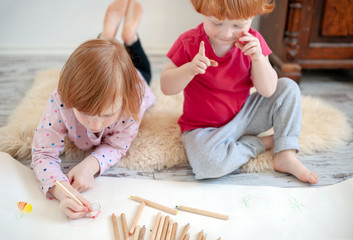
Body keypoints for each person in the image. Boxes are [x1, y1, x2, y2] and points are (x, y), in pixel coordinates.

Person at [160, 0, 319, 184]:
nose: (226, 33)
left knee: (288, 87)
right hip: (202, 129)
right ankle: (261, 143)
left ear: (253, 17)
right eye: (216, 23)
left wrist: (259, 59)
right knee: (208, 166)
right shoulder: (189, 42)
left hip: (244, 116)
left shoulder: (254, 42)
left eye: (238, 25)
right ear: (201, 11)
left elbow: (268, 90)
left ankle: (285, 154)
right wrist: (188, 70)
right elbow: (166, 87)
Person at [32, 0, 155, 219]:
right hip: (103, 73)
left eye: (108, 115)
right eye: (85, 114)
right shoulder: (61, 101)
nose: (96, 124)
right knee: (98, 61)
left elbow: (118, 146)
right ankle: (107, 37)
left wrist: (90, 165)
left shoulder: (132, 102)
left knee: (144, 71)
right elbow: (42, 153)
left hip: (135, 76)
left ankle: (129, 36)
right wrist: (62, 192)